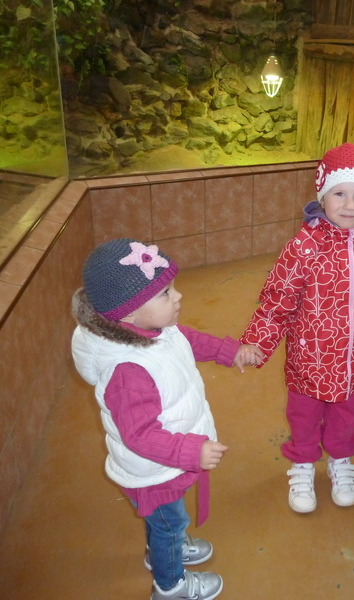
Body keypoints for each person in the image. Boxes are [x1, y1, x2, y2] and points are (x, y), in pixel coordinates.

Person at [71, 238, 262, 600]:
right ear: (128, 313)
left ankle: (161, 546)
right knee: (170, 522)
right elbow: (139, 435)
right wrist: (191, 452)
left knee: (163, 521)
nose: (178, 297)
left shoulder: (153, 330)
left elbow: (186, 339)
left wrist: (229, 351)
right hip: (153, 470)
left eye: (172, 288)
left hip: (164, 460)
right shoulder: (127, 373)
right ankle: (170, 585)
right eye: (165, 294)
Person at [240, 143, 354, 513]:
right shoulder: (303, 247)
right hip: (309, 361)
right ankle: (302, 464)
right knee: (304, 417)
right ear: (322, 197)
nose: (349, 204)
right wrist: (256, 342)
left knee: (347, 416)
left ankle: (340, 460)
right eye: (339, 194)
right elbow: (277, 300)